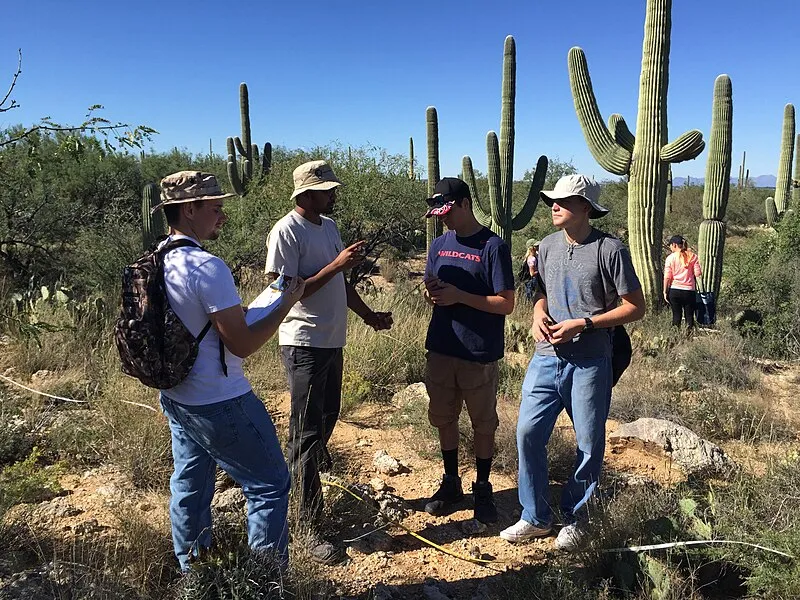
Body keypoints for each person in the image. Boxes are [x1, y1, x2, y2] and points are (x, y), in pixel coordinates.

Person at [153, 171, 305, 572]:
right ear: (190, 210)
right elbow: (241, 344)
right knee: (270, 483)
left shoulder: (158, 259)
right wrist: (286, 303)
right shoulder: (207, 266)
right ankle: (265, 584)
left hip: (178, 396)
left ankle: (196, 577)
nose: (222, 217)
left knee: (190, 486)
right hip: (220, 399)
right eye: (215, 208)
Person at [499, 174, 645, 550]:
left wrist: (585, 323)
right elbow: (541, 291)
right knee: (528, 433)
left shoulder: (610, 250)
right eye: (553, 200)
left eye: (564, 201)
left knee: (588, 442)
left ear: (585, 208)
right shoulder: (547, 246)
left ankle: (578, 517)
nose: (554, 205)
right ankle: (535, 517)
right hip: (546, 357)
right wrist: (536, 314)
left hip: (591, 358)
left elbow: (635, 307)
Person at [265, 159, 393, 564]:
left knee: (326, 417)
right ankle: (308, 524)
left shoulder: (329, 227)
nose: (334, 194)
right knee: (304, 432)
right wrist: (337, 265)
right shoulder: (286, 231)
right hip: (302, 342)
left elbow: (338, 282)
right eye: (328, 189)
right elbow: (289, 292)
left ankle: (308, 485)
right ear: (306, 193)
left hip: (331, 340)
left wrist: (369, 315)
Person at [421, 177, 516, 524]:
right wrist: (431, 293)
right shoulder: (439, 245)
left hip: (478, 351)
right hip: (442, 347)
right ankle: (451, 482)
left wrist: (461, 297)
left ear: (465, 204)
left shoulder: (492, 246)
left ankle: (483, 487)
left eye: (448, 212)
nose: (444, 220)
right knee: (443, 418)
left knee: (483, 424)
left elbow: (506, 304)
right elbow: (429, 288)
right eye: (439, 214)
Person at [663, 235, 702, 329]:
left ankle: (676, 336)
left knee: (676, 316)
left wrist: (665, 291)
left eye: (670, 245)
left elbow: (667, 277)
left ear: (674, 245)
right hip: (689, 291)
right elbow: (698, 274)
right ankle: (689, 336)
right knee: (689, 316)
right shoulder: (693, 256)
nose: (670, 247)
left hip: (674, 290)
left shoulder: (670, 258)